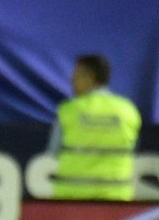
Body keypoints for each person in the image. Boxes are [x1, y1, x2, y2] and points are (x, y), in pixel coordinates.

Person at [48, 54, 141, 200]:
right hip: (116, 198)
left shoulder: (69, 110)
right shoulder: (128, 110)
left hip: (72, 199)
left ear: (89, 77)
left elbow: (53, 152)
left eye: (76, 75)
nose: (72, 80)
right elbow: (133, 150)